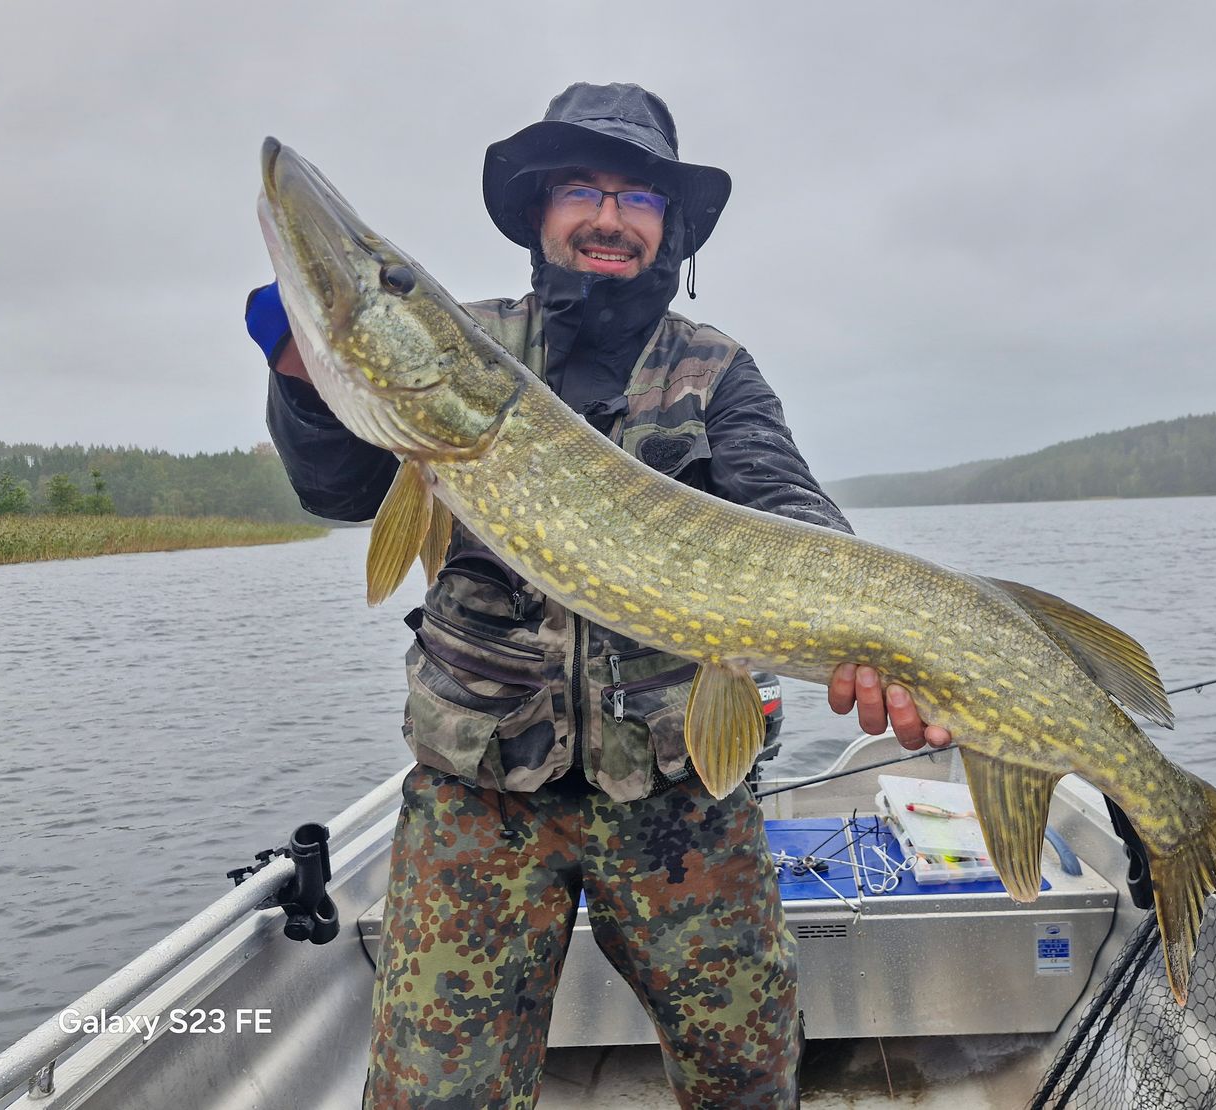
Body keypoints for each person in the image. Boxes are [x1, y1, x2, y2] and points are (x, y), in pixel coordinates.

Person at [246, 82, 949, 1109]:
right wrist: (304, 382)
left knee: (748, 1082)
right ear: (541, 210)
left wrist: (875, 640)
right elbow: (340, 487)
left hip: (678, 794)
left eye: (638, 196)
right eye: (582, 188)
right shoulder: (470, 345)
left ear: (669, 227)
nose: (609, 216)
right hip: (479, 795)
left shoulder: (715, 372)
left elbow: (790, 509)